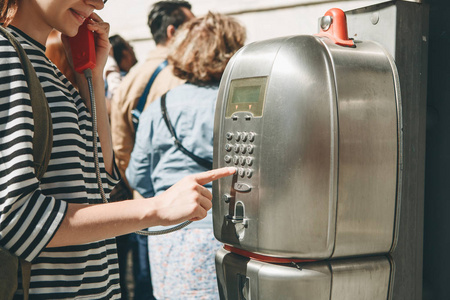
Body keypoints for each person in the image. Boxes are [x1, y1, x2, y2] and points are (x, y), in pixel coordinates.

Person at [0, 1, 235, 299]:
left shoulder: (44, 64)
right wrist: (156, 208)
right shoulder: (6, 54)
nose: (98, 2)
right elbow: (15, 217)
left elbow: (101, 181)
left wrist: (92, 75)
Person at [126, 12, 246, 299]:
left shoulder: (158, 107)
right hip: (225, 232)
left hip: (169, 234)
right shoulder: (238, 104)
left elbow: (138, 177)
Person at [110, 2, 194, 299]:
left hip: (141, 200)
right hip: (187, 206)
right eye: (191, 26)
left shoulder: (130, 78)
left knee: (145, 282)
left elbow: (119, 148)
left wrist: (138, 188)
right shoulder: (187, 78)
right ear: (173, 31)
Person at [104, 34, 137, 116]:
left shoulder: (103, 84)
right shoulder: (128, 81)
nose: (132, 49)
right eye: (129, 46)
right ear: (125, 53)